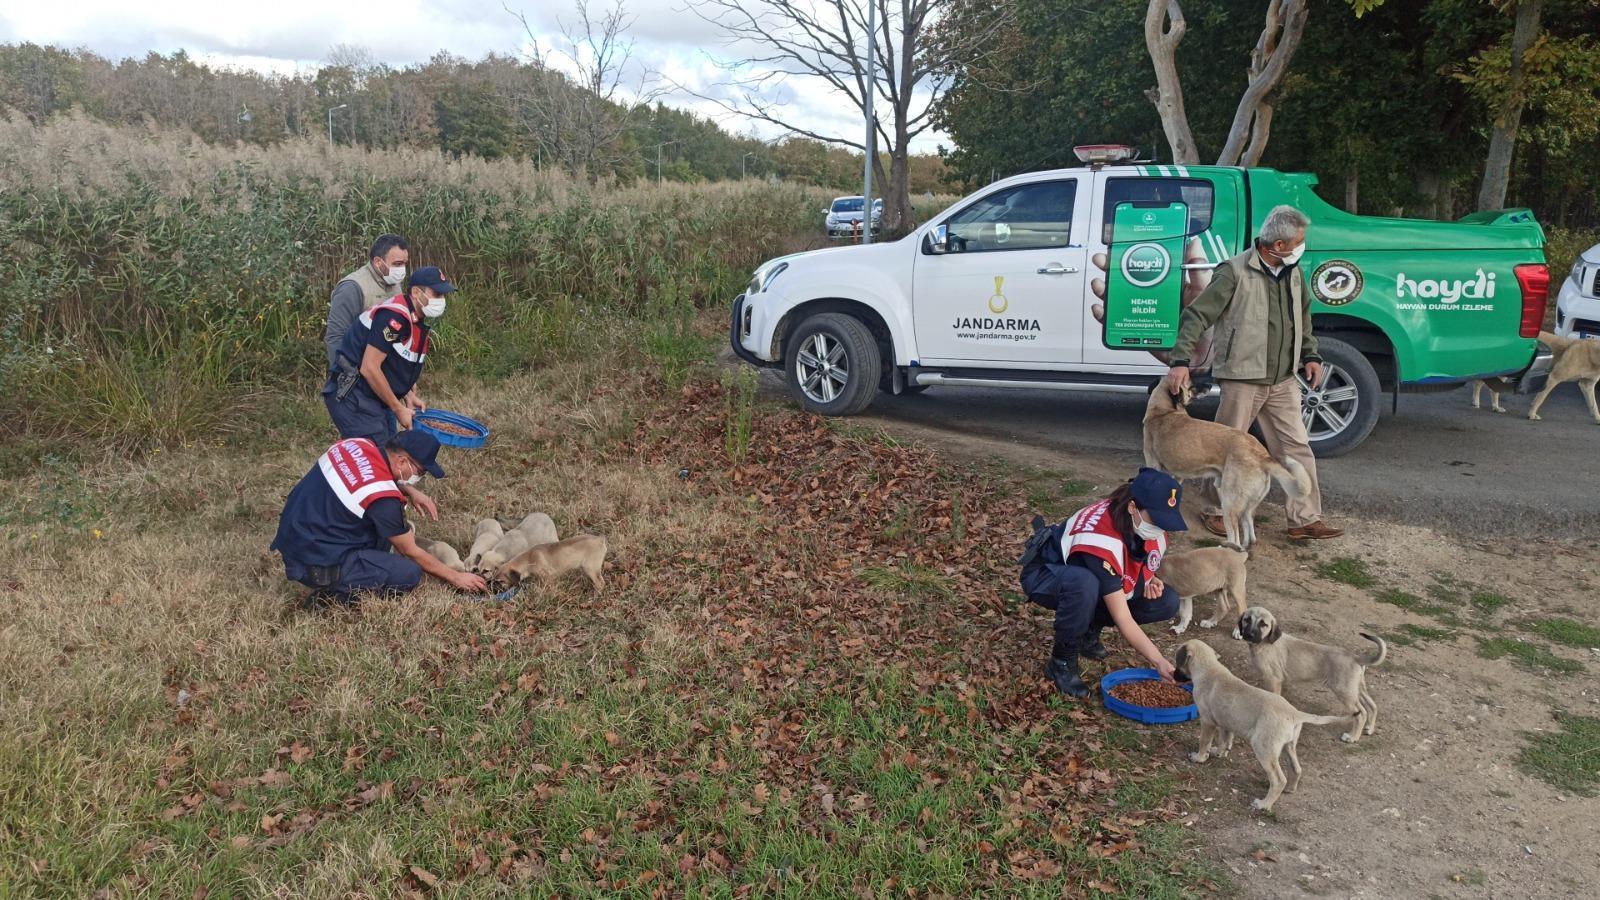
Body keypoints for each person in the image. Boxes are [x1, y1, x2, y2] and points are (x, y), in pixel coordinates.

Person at [1165, 205, 1344, 542]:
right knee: (1222, 448)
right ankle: (1215, 510)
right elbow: (1196, 316)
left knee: (1297, 448)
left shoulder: (1293, 271)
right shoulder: (1232, 272)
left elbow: (1302, 318)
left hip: (1282, 380)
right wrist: (1180, 361)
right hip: (1242, 379)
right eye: (1298, 242)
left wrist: (1311, 354)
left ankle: (1304, 519)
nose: (1301, 247)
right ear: (1277, 245)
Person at [1020, 468, 1187, 699]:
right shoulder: (1100, 539)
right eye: (1156, 520)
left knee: (1166, 601)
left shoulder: (1142, 524)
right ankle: (1061, 662)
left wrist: (1149, 579)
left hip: (1090, 577)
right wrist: (1158, 660)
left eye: (1165, 521)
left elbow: (1135, 560)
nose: (1161, 528)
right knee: (1084, 584)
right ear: (1132, 508)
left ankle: (1088, 630)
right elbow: (1123, 617)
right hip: (1045, 574)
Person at [271, 430, 486, 606]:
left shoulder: (357, 444)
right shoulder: (383, 499)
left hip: (294, 536)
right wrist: (455, 577)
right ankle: (330, 596)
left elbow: (365, 473)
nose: (420, 477)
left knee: (382, 532)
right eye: (420, 471)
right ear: (402, 461)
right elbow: (409, 550)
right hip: (313, 562)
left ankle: (349, 567)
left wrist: (408, 490)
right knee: (408, 573)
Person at [323, 265, 454, 520]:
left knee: (388, 454)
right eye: (436, 294)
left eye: (443, 295)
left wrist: (408, 395)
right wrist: (397, 408)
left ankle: (390, 513)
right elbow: (370, 368)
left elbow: (396, 364)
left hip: (375, 397)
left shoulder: (415, 319)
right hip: (355, 397)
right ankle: (376, 524)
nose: (441, 300)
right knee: (376, 461)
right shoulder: (394, 318)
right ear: (417, 292)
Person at [324, 234, 410, 369]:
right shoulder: (352, 288)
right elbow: (336, 338)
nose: (402, 269)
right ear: (378, 262)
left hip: (388, 370)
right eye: (397, 264)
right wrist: (344, 376)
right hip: (360, 370)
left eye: (404, 263)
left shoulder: (394, 282)